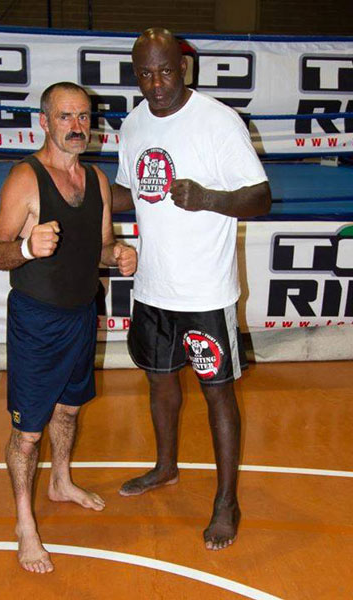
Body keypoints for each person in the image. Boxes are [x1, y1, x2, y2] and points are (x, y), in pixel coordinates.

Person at [112, 28, 271, 550]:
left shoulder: (218, 121)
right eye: (145, 74)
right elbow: (128, 190)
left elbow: (260, 198)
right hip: (153, 286)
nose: (156, 84)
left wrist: (208, 198)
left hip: (205, 291)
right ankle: (165, 467)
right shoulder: (133, 124)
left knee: (217, 391)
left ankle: (226, 501)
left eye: (165, 71)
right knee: (159, 383)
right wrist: (74, 192)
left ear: (184, 69)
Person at [0, 81, 137, 573]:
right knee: (28, 434)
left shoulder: (96, 180)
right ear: (45, 122)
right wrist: (27, 248)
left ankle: (61, 481)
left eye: (84, 116)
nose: (77, 126)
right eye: (66, 116)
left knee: (69, 410)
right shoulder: (25, 178)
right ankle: (24, 524)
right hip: (36, 321)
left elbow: (99, 247)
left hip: (81, 314)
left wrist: (117, 255)